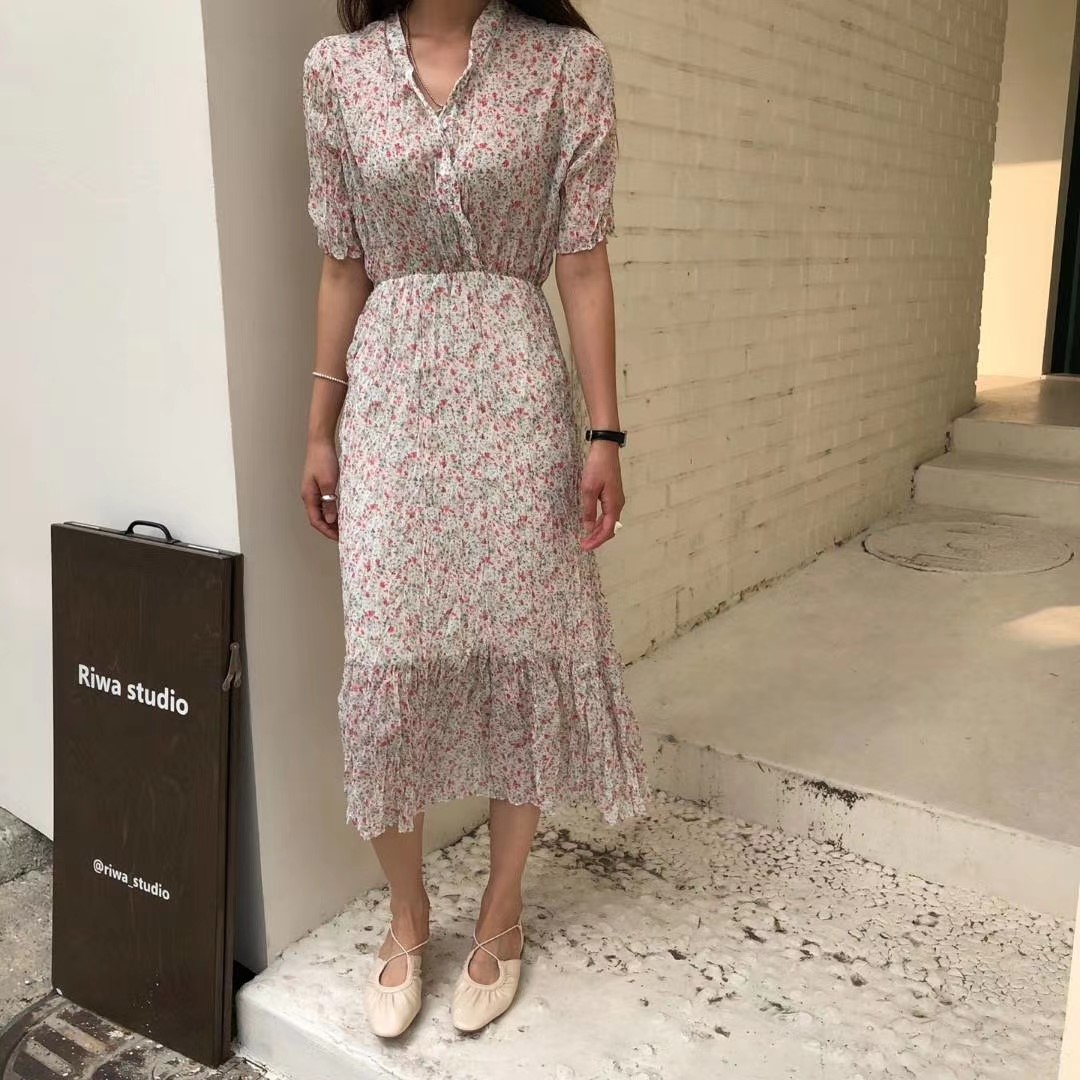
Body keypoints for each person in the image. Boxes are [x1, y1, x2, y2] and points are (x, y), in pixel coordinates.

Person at [299, 0, 650, 1038]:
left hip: (516, 390)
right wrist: (317, 429)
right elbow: (342, 264)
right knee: (388, 657)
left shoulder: (566, 64)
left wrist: (605, 433)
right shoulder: (337, 71)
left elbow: (581, 262)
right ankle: (408, 916)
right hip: (392, 400)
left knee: (521, 648)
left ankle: (502, 909)